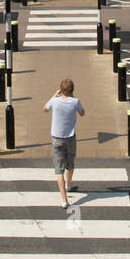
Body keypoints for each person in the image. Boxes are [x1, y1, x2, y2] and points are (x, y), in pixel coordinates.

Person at [43, 79, 85, 209]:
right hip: (70, 138)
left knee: (58, 170)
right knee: (70, 164)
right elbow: (82, 113)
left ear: (61, 90)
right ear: (72, 90)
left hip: (56, 138)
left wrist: (54, 96)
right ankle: (69, 184)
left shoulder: (55, 101)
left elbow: (44, 109)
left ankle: (64, 200)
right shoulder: (75, 102)